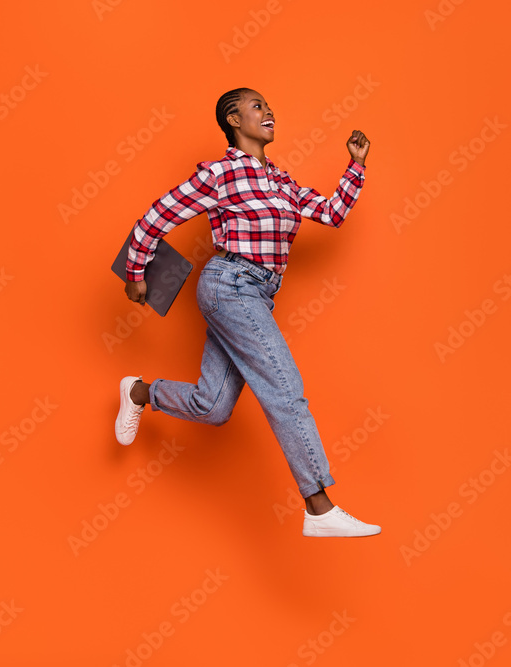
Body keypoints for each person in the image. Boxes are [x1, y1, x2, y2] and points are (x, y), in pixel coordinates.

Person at [114, 87, 379, 538]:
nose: (269, 111)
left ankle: (139, 392)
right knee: (284, 387)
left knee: (213, 407)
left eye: (270, 106)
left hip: (256, 294)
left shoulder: (280, 180)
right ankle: (318, 505)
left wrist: (355, 166)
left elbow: (331, 214)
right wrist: (137, 271)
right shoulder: (219, 173)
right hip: (231, 284)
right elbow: (156, 217)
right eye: (258, 106)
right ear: (234, 120)